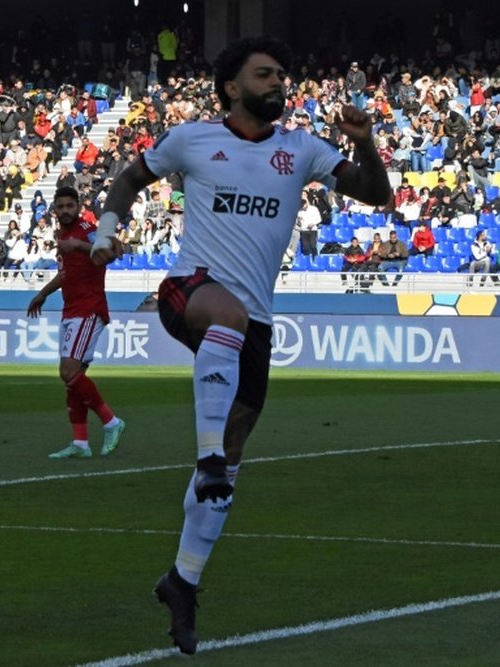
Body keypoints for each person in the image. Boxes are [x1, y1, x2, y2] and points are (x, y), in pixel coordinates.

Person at [88, 36, 391, 654]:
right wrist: (108, 232)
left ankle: (183, 579)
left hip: (256, 320)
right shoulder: (192, 138)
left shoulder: (300, 148)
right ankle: (204, 461)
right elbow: (127, 180)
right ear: (232, 86)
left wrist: (363, 141)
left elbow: (375, 195)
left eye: (283, 73)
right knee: (221, 360)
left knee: (235, 448)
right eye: (265, 73)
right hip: (190, 289)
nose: (279, 81)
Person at [26, 186, 125, 459]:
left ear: (78, 206)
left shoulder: (87, 229)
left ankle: (112, 422)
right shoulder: (63, 235)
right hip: (71, 310)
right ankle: (80, 443)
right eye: (61, 207)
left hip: (89, 308)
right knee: (73, 378)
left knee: (68, 371)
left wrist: (80, 246)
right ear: (54, 210)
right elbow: (66, 273)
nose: (66, 211)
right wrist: (42, 294)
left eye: (71, 206)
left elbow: (110, 253)